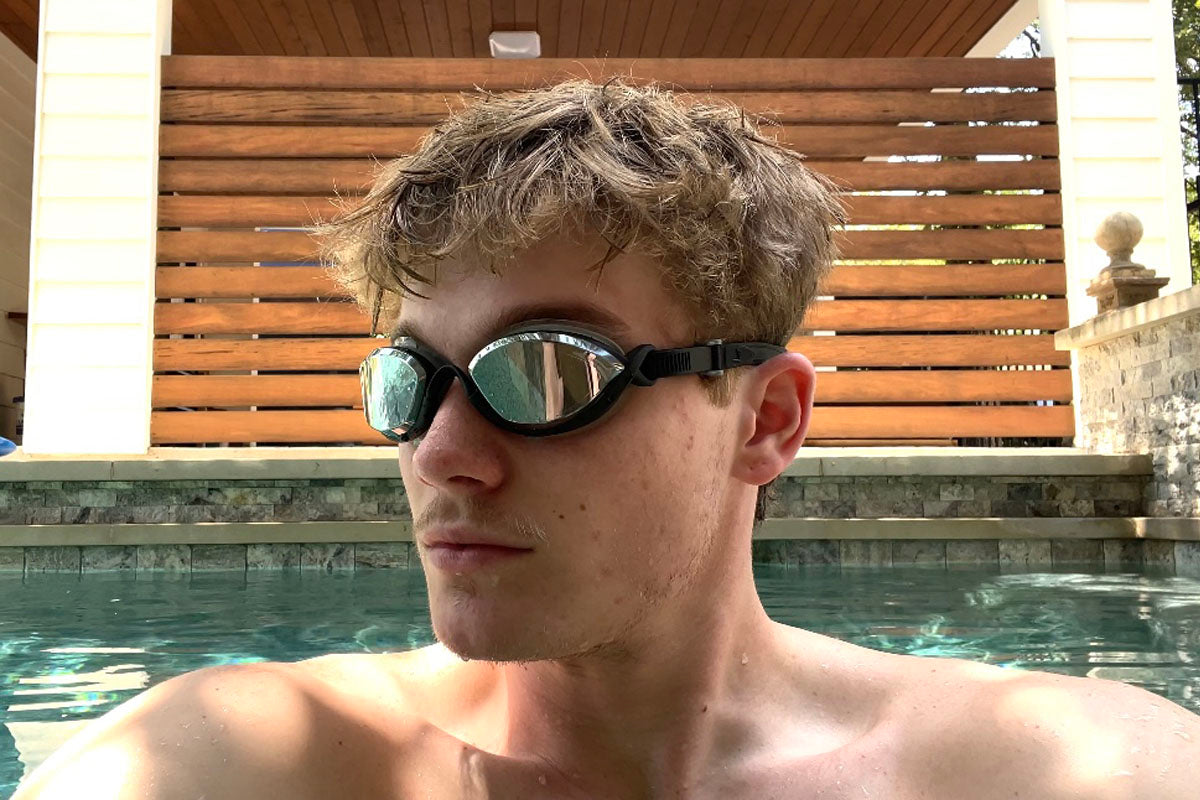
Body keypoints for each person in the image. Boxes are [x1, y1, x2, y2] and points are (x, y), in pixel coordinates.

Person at [16, 80, 1199, 800]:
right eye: (410, 380)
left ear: (767, 420)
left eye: (542, 370)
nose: (439, 453)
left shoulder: (1062, 767)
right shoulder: (248, 763)